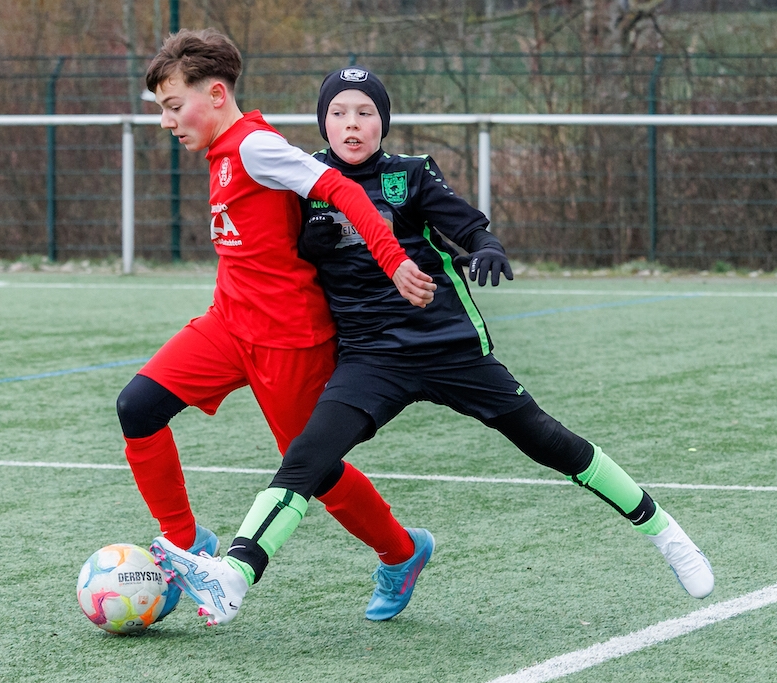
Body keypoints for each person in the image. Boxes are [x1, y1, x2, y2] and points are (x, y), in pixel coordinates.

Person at [151, 66, 715, 627]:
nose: (352, 124)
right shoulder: (303, 181)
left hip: (448, 346)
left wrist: (487, 246)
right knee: (306, 457)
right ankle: (234, 576)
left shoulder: (411, 174)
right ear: (323, 124)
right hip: (371, 357)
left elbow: (467, 227)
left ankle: (664, 531)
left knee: (547, 440)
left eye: (365, 112)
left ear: (384, 123)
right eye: (338, 113)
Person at [118, 33, 438, 622]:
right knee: (137, 407)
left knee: (313, 469)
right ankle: (186, 544)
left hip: (290, 342)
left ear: (215, 96)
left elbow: (339, 187)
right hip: (227, 326)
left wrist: (393, 260)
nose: (166, 122)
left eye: (172, 106)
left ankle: (402, 551)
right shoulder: (220, 151)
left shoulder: (256, 148)